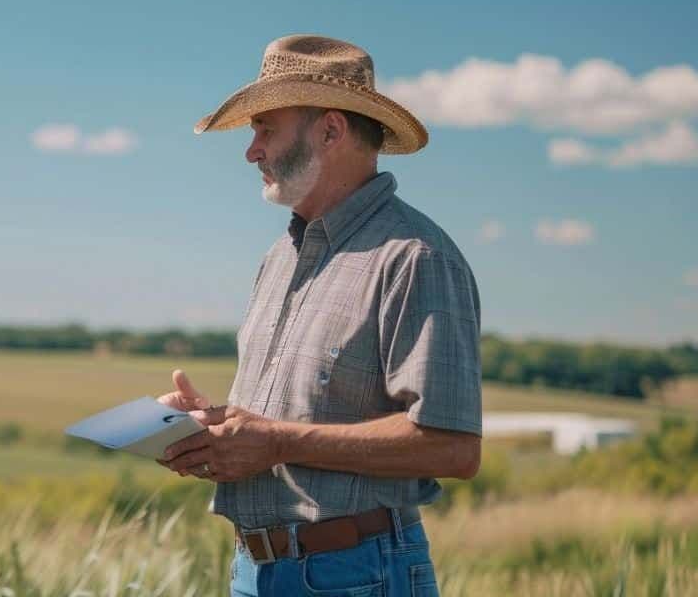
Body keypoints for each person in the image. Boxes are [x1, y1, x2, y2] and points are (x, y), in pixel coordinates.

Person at [158, 35, 481, 597]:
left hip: (355, 573)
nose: (251, 151)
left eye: (266, 130)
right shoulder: (278, 260)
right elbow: (281, 422)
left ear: (331, 131)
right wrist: (208, 428)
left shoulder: (414, 257)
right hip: (252, 572)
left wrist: (278, 441)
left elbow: (452, 446)